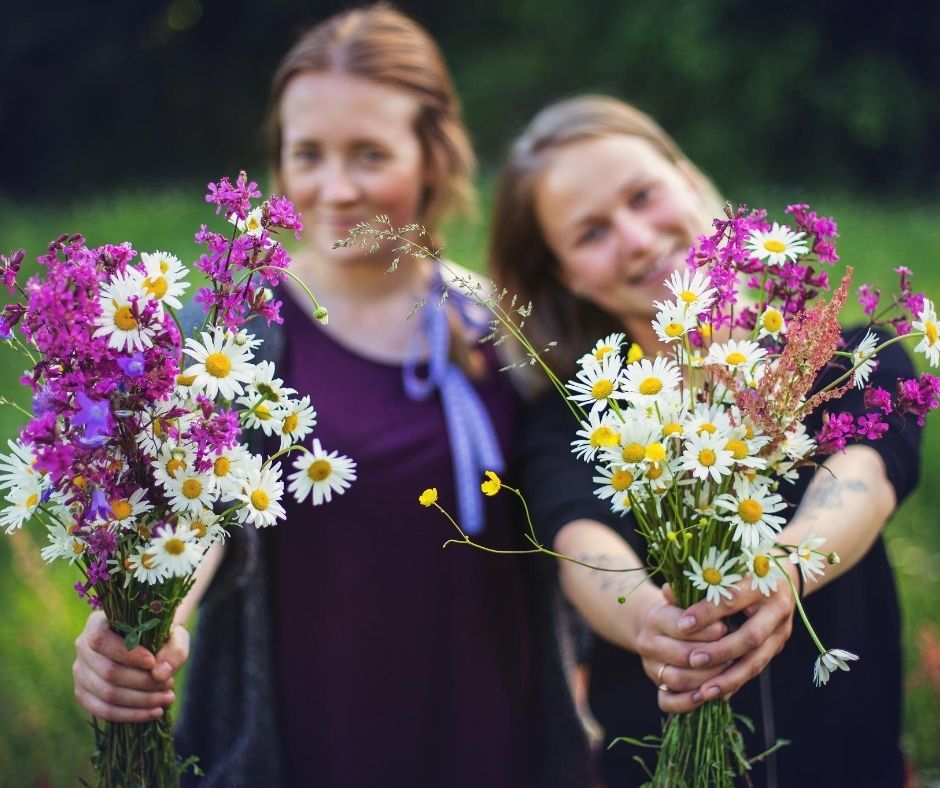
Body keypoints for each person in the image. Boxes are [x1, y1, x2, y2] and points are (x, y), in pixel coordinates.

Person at [71, 8, 590, 787]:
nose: (334, 187)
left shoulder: (496, 321)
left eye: (369, 153)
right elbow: (198, 512)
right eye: (307, 152)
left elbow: (566, 498)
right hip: (310, 741)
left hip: (490, 733)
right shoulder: (229, 334)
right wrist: (151, 623)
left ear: (431, 157)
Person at [488, 94, 921, 787]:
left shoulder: (850, 358)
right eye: (591, 233)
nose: (634, 237)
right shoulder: (575, 415)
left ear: (689, 180)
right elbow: (582, 546)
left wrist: (784, 570)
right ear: (565, 272)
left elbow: (862, 479)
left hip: (845, 757)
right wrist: (653, 623)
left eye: (642, 196)